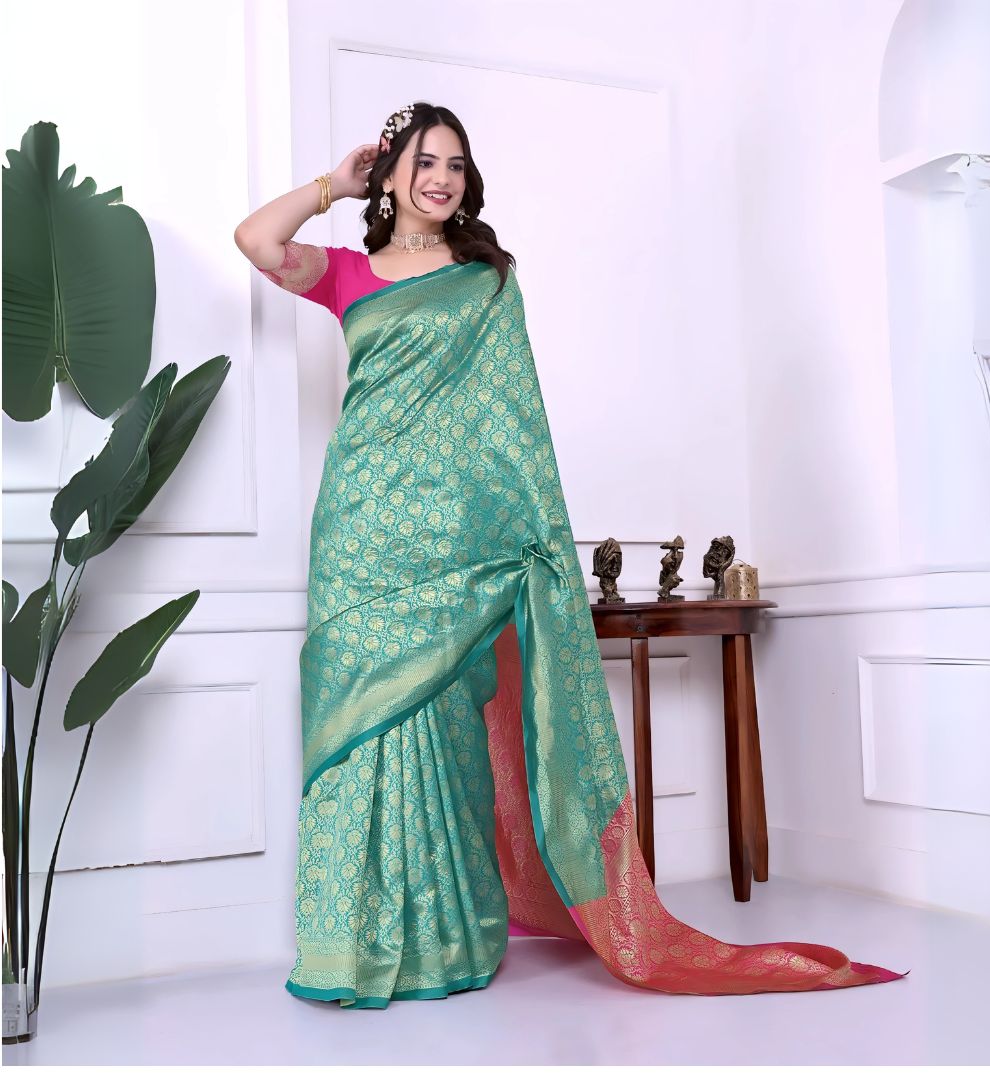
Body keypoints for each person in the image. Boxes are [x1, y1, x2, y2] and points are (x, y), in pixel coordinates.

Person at [234, 102, 909, 1009]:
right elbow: (256, 239)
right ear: (390, 173)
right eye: (424, 161)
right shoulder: (349, 274)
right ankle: (352, 948)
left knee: (442, 730)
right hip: (363, 533)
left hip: (463, 543)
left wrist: (523, 535)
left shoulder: (485, 281)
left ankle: (447, 939)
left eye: (457, 165)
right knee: (358, 738)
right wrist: (332, 183)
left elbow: (514, 427)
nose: (442, 178)